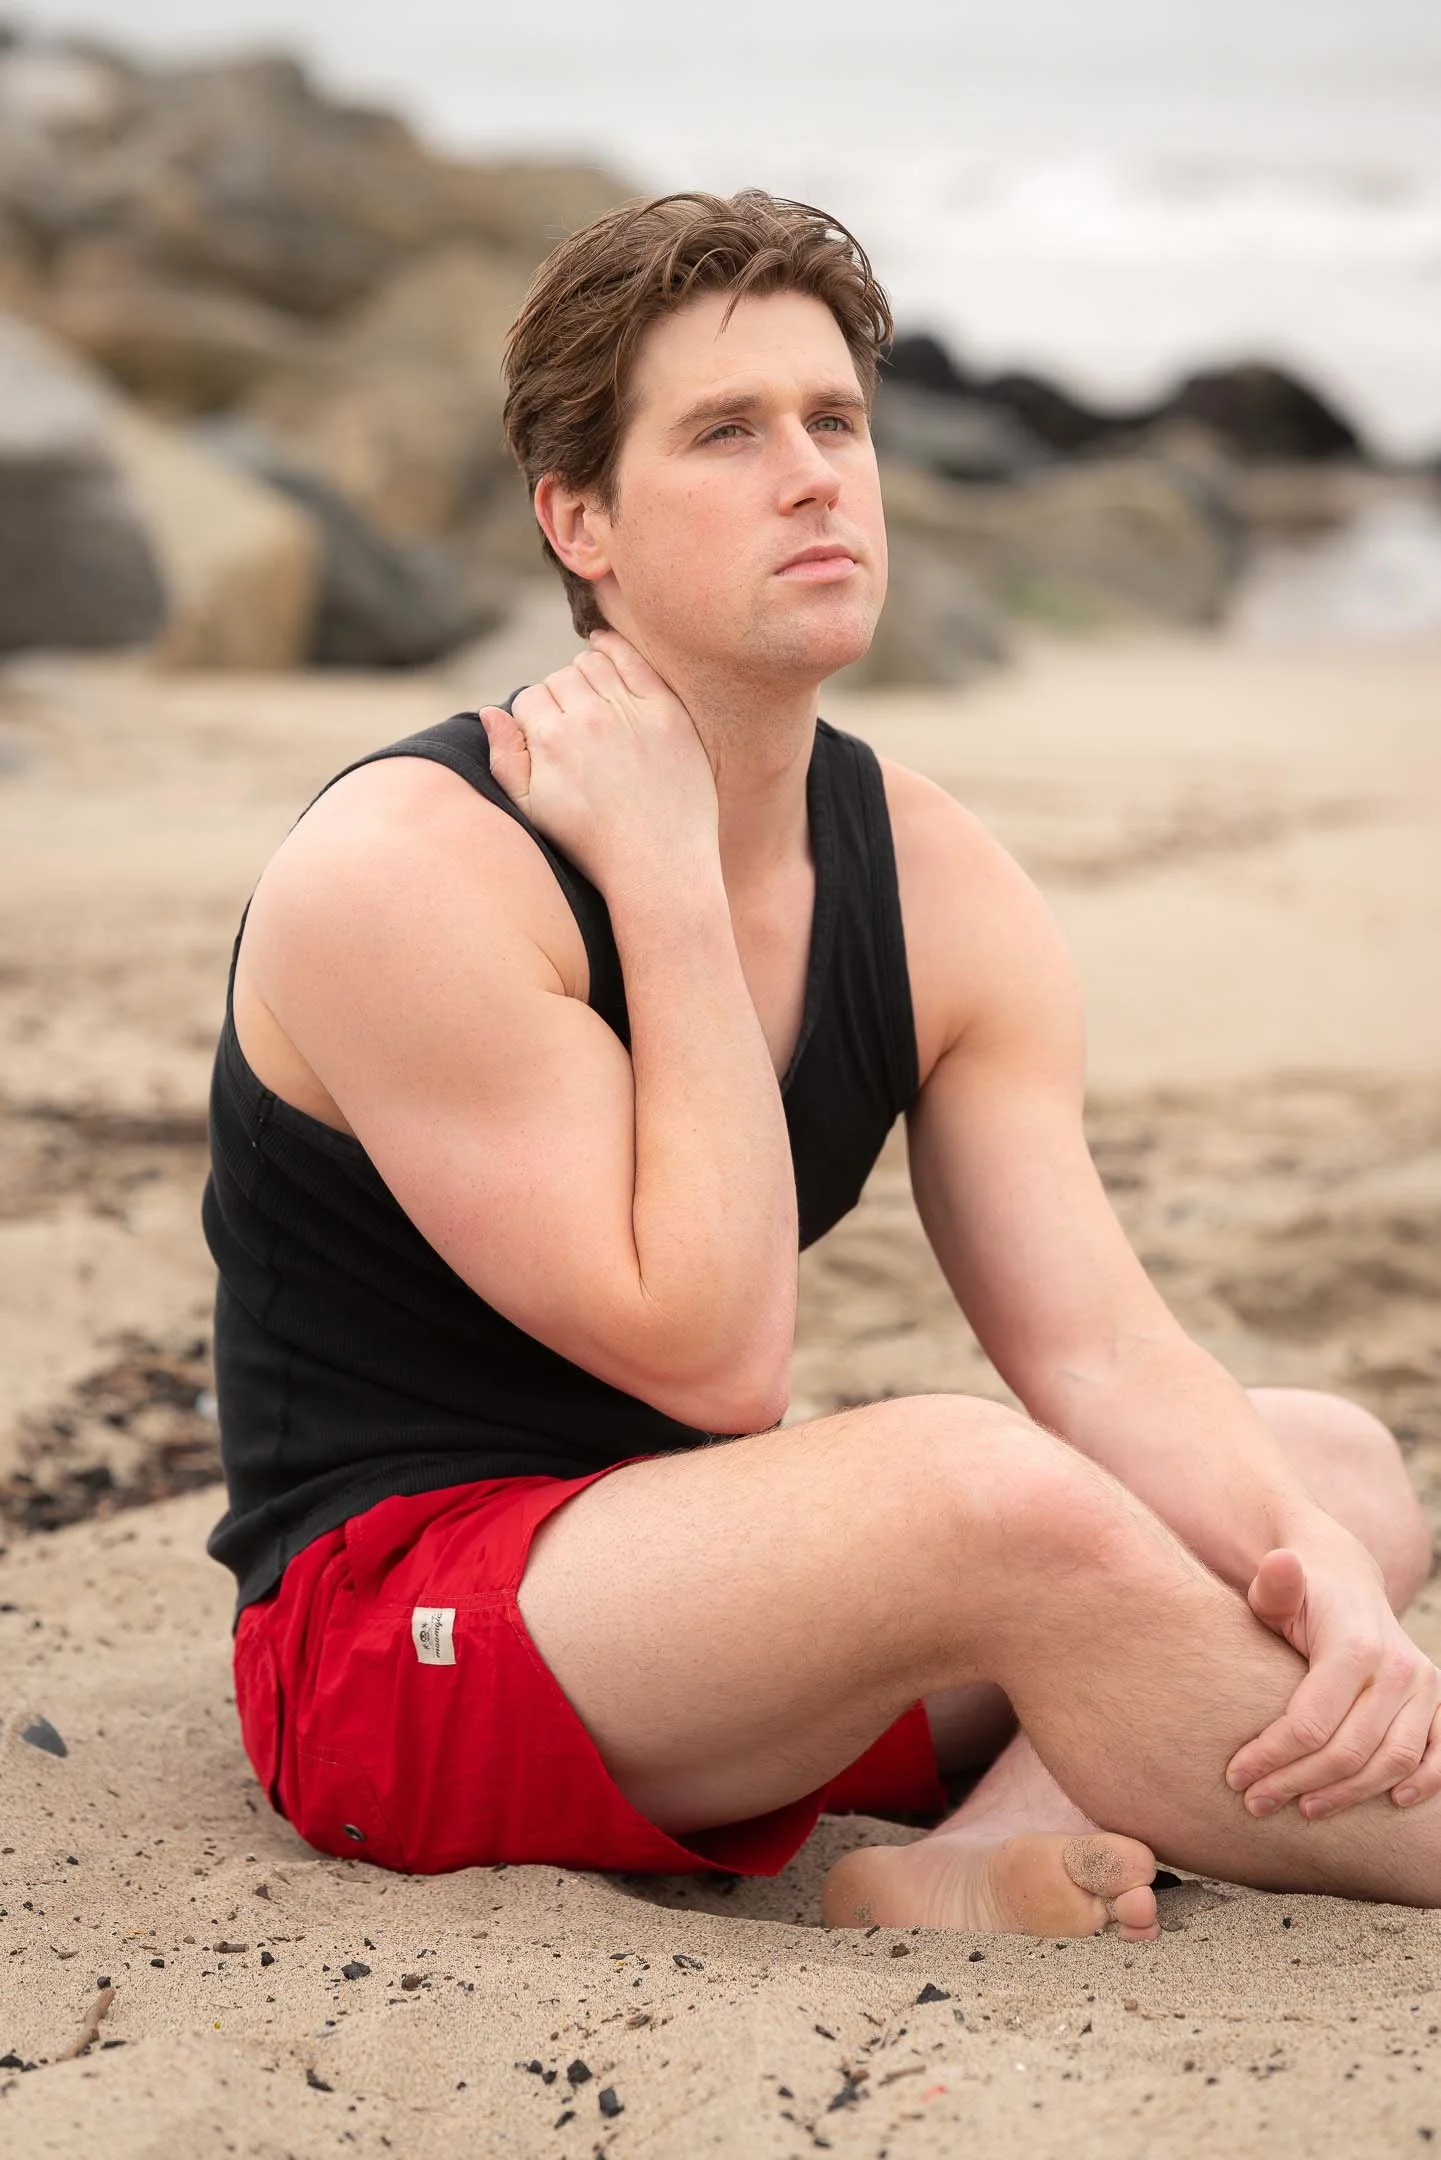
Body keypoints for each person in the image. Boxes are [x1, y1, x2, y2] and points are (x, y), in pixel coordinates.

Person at [205, 189, 1438, 1940]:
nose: (811, 476)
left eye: (836, 422)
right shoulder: (406, 873)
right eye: (728, 432)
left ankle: (963, 1857)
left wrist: (1309, 1562)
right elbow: (713, 1356)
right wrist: (666, 883)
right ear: (579, 521)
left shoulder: (936, 878)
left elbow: (1094, 1344)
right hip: (399, 1647)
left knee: (1328, 1473)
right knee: (973, 1487)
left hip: (724, 1607)